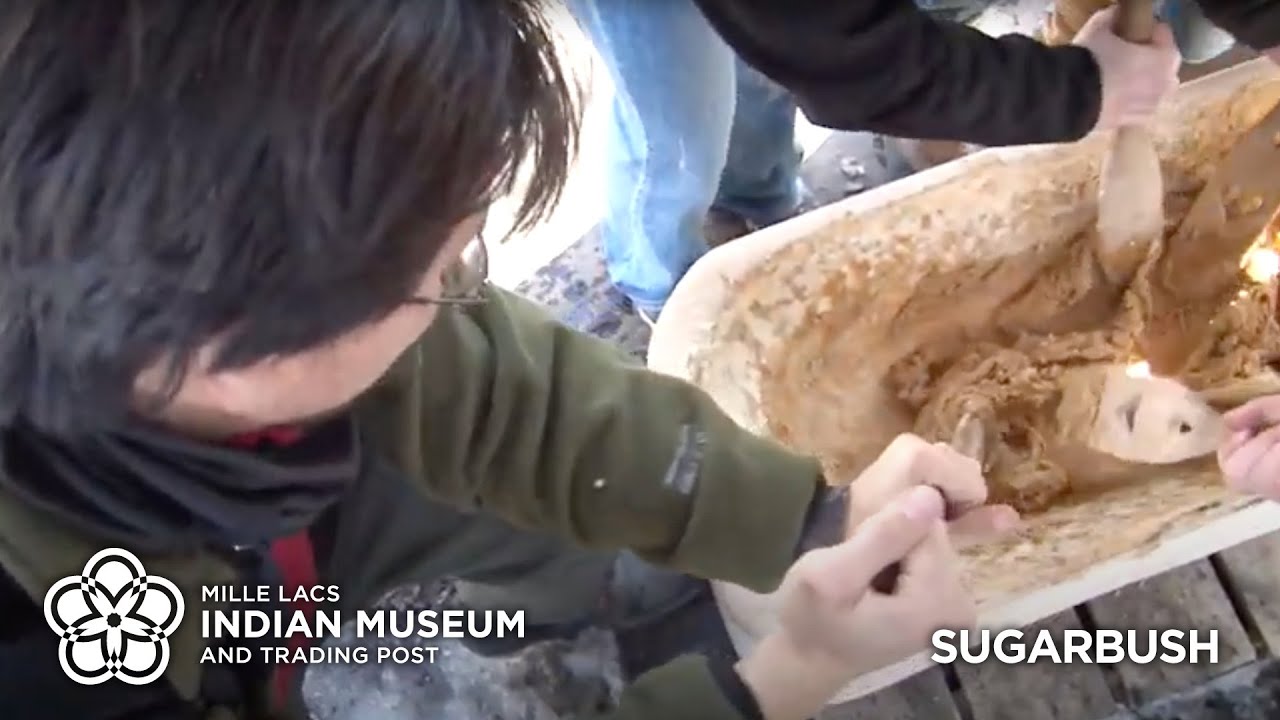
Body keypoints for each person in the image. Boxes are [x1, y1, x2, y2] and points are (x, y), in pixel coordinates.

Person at [0, 3, 1016, 719]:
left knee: (541, 500)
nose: (453, 295)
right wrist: (778, 684)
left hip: (283, 512)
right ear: (219, 340)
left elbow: (496, 389)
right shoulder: (48, 671)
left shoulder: (206, 295)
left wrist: (801, 516)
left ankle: (595, 606)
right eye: (432, 273)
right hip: (184, 621)